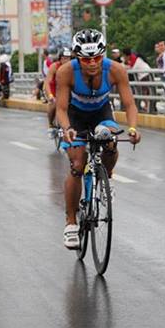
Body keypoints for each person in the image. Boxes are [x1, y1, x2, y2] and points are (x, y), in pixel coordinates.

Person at [55, 29, 141, 249]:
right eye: (86, 59)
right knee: (77, 164)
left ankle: (106, 176)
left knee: (110, 140)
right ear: (77, 57)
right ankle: (71, 222)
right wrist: (67, 129)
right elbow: (61, 109)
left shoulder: (115, 70)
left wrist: (132, 128)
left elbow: (129, 104)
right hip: (75, 116)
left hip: (102, 113)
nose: (92, 63)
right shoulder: (66, 72)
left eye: (97, 58)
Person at [44, 47, 72, 133]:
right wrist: (50, 96)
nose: (66, 61)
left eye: (68, 58)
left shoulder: (72, 67)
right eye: (64, 58)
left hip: (67, 90)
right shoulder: (54, 67)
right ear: (60, 59)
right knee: (53, 103)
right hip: (54, 89)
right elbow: (47, 82)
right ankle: (51, 124)